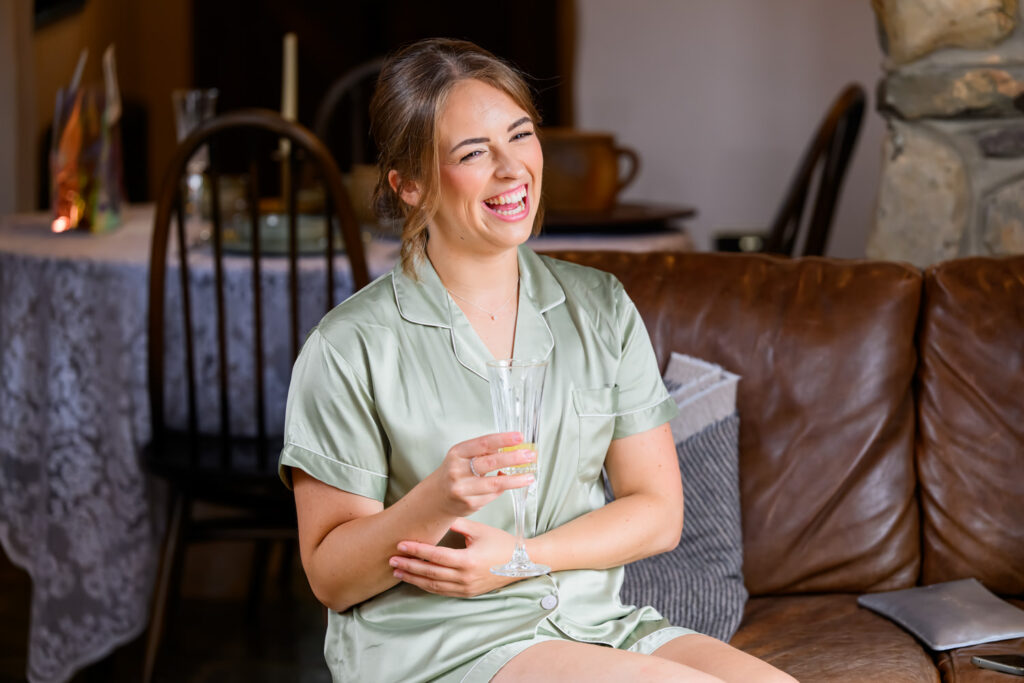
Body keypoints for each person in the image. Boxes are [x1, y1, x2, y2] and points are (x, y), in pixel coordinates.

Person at [279, 38, 795, 683]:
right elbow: (331, 577)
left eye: (520, 136)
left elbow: (657, 513)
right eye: (473, 153)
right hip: (440, 644)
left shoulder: (599, 307)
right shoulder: (349, 345)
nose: (511, 169)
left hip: (595, 625)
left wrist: (523, 556)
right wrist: (437, 500)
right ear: (410, 186)